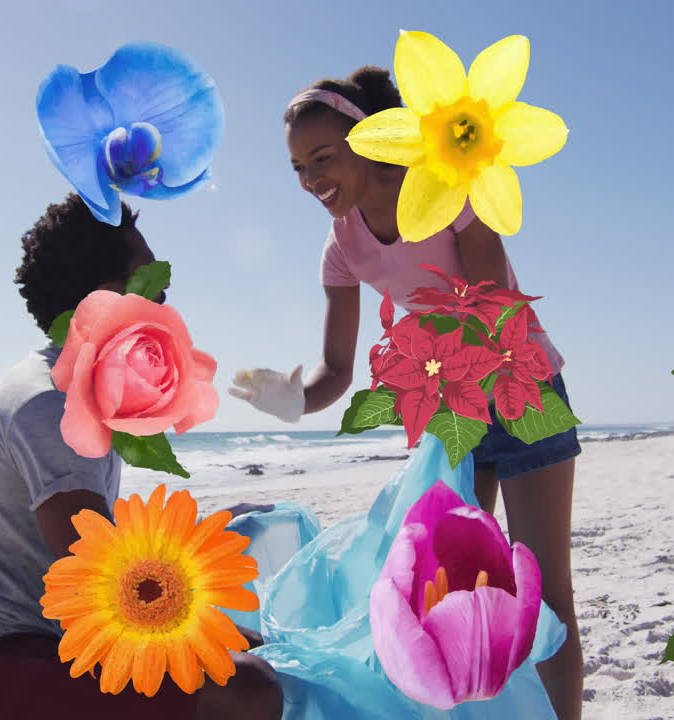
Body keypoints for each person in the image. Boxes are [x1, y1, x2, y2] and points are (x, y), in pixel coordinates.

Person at [228, 67, 584, 719]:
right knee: (451, 597)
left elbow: (490, 310)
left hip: (521, 390)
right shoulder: (342, 248)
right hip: (454, 411)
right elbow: (336, 372)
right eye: (298, 167)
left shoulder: (447, 189)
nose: (310, 180)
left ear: (369, 139)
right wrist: (293, 399)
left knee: (544, 600)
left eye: (322, 158)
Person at [0, 194, 282, 720]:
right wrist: (226, 636)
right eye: (156, 291)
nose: (167, 309)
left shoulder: (67, 388)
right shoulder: (52, 406)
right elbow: (102, 583)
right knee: (249, 689)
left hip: (17, 656)